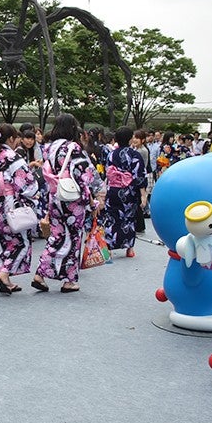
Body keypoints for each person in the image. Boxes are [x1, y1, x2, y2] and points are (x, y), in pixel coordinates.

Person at [32, 113, 100, 293]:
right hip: (72, 198)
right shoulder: (73, 148)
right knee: (74, 237)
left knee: (56, 235)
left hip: (54, 196)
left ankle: (40, 273)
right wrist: (92, 198)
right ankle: (69, 280)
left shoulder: (49, 147)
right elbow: (85, 175)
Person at [0, 124, 38, 294]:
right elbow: (28, 183)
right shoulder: (12, 157)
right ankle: (4, 273)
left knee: (0, 241)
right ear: (11, 139)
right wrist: (32, 193)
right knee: (21, 241)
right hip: (8, 204)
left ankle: (4, 279)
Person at [101, 126, 148, 258]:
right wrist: (143, 195)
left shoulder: (111, 154)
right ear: (130, 139)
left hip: (113, 190)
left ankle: (108, 249)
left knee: (111, 218)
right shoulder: (135, 155)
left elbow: (107, 171)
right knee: (129, 219)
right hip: (129, 191)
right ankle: (129, 249)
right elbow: (139, 177)